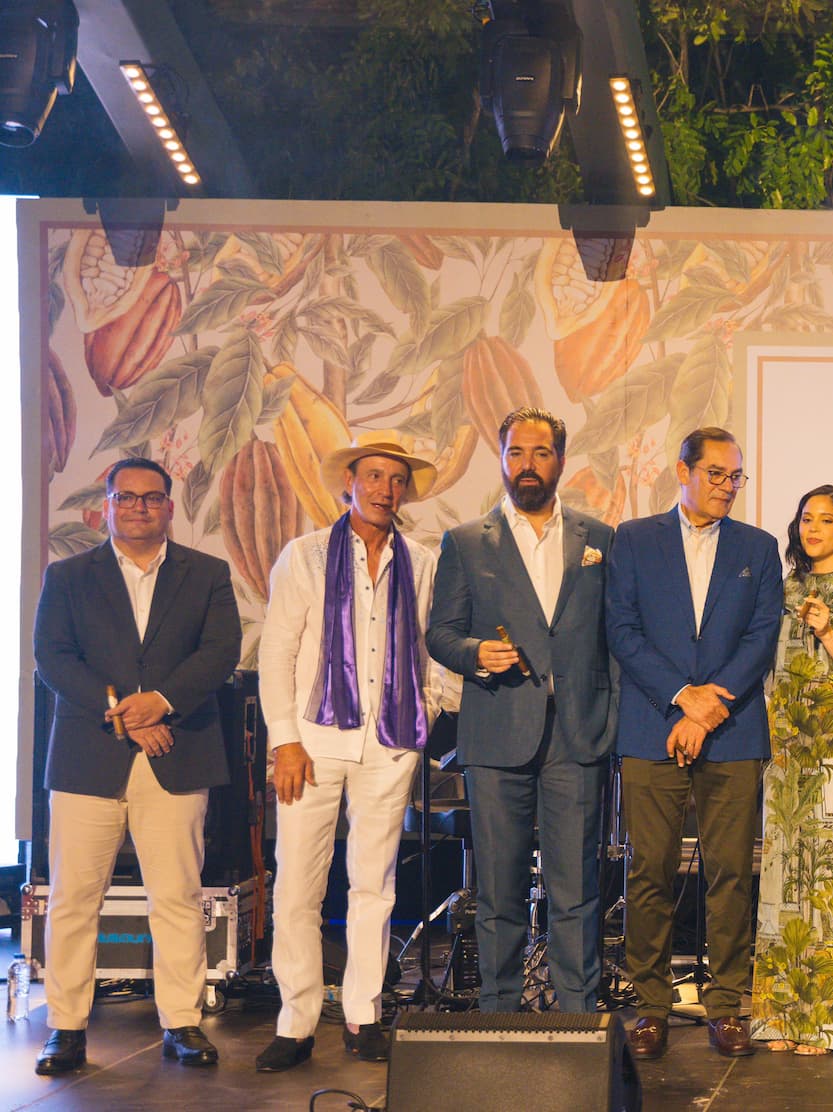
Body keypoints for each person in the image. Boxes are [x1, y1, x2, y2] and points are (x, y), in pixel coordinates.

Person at [31, 458, 241, 1076]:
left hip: (178, 751)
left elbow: (220, 652)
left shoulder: (207, 573)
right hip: (87, 757)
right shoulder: (67, 576)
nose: (139, 507)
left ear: (169, 507)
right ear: (107, 506)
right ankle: (66, 1028)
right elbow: (54, 658)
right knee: (73, 898)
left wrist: (163, 702)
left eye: (151, 498)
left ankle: (182, 1023)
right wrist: (128, 713)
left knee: (176, 896)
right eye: (126, 498)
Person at [257, 432, 451, 1072]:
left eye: (396, 479)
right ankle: (296, 1022)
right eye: (373, 476)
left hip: (389, 744)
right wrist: (284, 740)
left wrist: (427, 712)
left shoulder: (420, 560)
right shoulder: (306, 555)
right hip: (311, 743)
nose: (385, 489)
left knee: (375, 884)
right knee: (298, 885)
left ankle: (365, 1013)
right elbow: (277, 651)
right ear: (350, 482)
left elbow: (431, 646)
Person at [427, 408, 618, 1015]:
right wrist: (475, 654)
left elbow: (616, 636)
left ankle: (578, 1015)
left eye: (540, 453)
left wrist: (610, 720)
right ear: (502, 458)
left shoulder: (599, 538)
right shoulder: (465, 542)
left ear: (560, 459)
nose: (527, 465)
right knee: (499, 887)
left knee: (576, 887)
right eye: (516, 453)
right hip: (497, 728)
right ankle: (500, 1012)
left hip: (577, 732)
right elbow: (440, 633)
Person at [606, 427, 783, 1060]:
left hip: (732, 729)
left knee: (731, 873)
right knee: (649, 870)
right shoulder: (634, 539)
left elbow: (761, 636)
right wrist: (683, 697)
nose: (728, 486)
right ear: (682, 472)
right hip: (653, 725)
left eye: (736, 476)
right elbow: (622, 630)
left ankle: (728, 1005)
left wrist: (709, 709)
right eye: (716, 474)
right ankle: (651, 1007)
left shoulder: (759, 547)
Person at [750, 486, 833, 1057]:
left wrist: (829, 631)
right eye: (806, 518)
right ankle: (784, 1017)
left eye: (826, 520)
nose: (813, 528)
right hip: (787, 752)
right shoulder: (783, 589)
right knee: (785, 881)